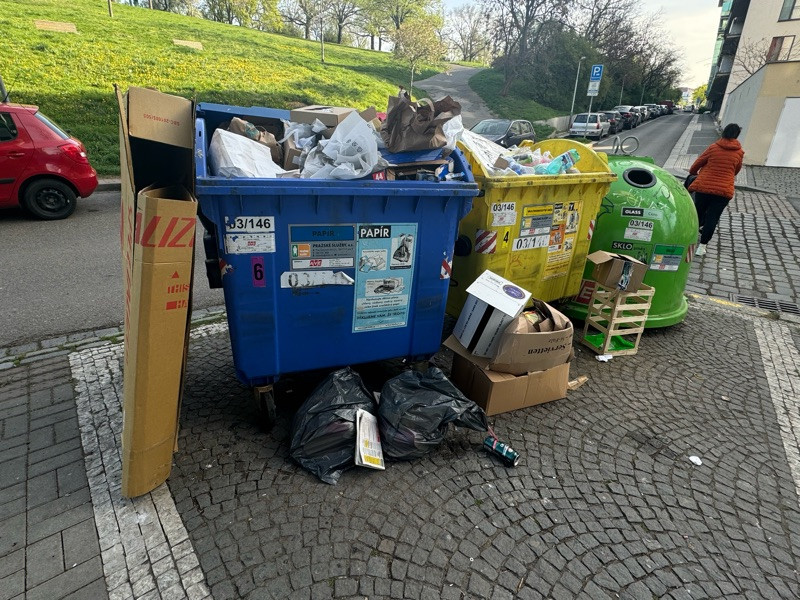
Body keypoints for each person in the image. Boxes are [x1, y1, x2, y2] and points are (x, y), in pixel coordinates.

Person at [688, 123, 744, 257]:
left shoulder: (713, 147)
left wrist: (693, 173)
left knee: (697, 213)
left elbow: (697, 163)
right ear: (737, 135)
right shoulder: (739, 152)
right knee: (712, 217)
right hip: (723, 191)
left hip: (704, 187)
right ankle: (702, 246)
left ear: (724, 132)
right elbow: (736, 170)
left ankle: (689, 239)